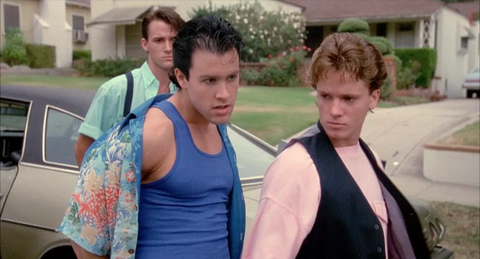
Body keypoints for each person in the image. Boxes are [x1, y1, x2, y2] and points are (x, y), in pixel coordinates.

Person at [60, 15, 246, 259]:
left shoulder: (218, 128)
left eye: (231, 78)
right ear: (181, 77)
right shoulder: (149, 133)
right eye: (210, 80)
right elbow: (83, 231)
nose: (224, 94)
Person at [242, 33, 430, 259]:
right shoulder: (296, 168)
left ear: (374, 97)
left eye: (348, 98)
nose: (334, 110)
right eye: (326, 96)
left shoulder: (370, 157)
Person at [74, 7, 184, 166]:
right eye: (159, 40)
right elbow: (83, 149)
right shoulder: (116, 90)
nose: (168, 48)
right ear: (145, 44)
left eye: (173, 40)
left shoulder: (186, 90)